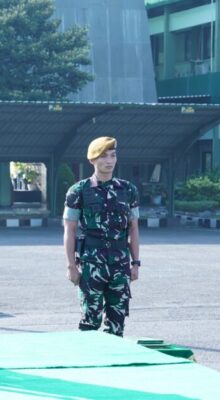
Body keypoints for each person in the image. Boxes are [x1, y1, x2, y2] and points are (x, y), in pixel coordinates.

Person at [62, 137, 140, 336]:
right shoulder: (78, 191)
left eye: (113, 156)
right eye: (103, 156)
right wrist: (71, 266)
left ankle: (114, 365)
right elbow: (69, 231)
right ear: (92, 160)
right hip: (91, 265)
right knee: (90, 322)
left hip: (120, 265)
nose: (109, 161)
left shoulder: (128, 190)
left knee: (117, 324)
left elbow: (133, 229)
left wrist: (135, 263)